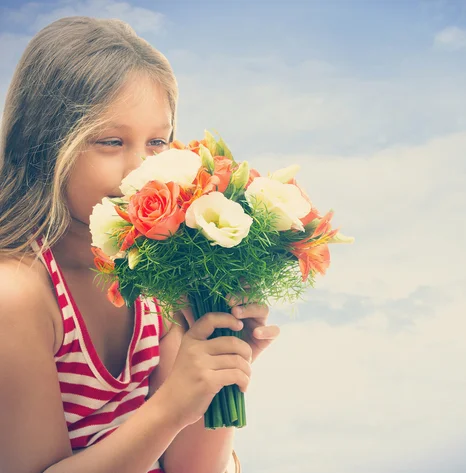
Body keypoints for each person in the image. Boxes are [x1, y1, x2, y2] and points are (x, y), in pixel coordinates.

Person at [0, 16, 280, 473]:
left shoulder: (158, 272)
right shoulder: (16, 294)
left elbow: (192, 468)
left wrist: (218, 373)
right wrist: (170, 407)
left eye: (157, 142)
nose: (139, 170)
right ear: (45, 146)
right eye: (111, 141)